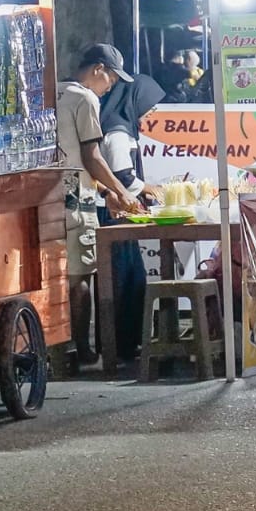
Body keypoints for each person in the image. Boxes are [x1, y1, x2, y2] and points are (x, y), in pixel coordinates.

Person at [57, 44, 145, 367]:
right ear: (98, 70)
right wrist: (122, 192)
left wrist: (106, 191)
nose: (110, 86)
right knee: (80, 276)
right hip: (75, 201)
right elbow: (91, 157)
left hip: (47, 199)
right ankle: (82, 348)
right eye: (110, 78)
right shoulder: (85, 98)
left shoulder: (53, 92)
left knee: (54, 275)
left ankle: (59, 343)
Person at [98, 75, 166, 361]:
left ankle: (130, 343)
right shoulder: (117, 131)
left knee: (132, 277)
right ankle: (120, 347)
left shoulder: (125, 128)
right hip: (113, 215)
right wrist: (148, 189)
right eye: (150, 104)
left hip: (121, 213)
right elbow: (122, 176)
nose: (153, 111)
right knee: (122, 279)